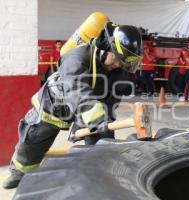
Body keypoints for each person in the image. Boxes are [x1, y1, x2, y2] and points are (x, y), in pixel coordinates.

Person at [2, 22, 142, 189]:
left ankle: (100, 178)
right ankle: (19, 173)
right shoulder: (77, 56)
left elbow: (111, 100)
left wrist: (104, 122)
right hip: (54, 107)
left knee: (103, 145)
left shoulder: (119, 71)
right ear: (109, 48)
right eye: (119, 60)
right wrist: (94, 115)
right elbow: (76, 88)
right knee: (31, 142)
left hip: (88, 111)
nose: (120, 65)